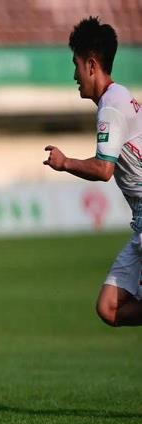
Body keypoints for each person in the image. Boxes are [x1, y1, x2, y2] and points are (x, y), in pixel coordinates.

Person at [44, 16, 142, 327]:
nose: (75, 75)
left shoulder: (111, 106)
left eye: (75, 64)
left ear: (91, 64)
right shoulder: (119, 96)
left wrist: (65, 162)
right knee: (109, 307)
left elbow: (103, 169)